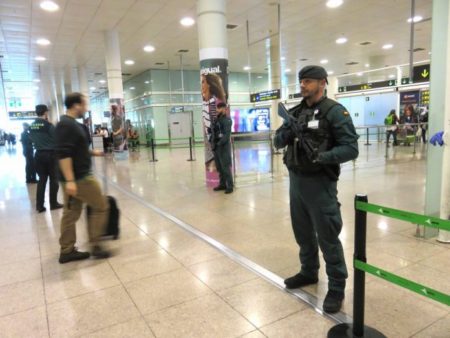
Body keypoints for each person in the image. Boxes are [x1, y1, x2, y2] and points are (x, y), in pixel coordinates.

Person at [274, 65, 359, 313]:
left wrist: (324, 156)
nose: (302, 85)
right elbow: (277, 141)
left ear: (323, 83)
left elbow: (351, 148)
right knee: (302, 233)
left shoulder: (334, 112)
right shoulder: (295, 112)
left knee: (328, 236)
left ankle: (336, 286)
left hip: (321, 184)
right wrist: (287, 132)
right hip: (296, 181)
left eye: (308, 81)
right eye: (301, 81)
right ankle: (308, 272)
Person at [55, 92, 110, 264]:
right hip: (80, 179)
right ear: (76, 105)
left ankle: (67, 250)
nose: (86, 108)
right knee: (101, 206)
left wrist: (94, 152)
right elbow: (63, 154)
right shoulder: (66, 125)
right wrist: (70, 180)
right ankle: (96, 245)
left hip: (75, 178)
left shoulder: (70, 124)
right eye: (84, 104)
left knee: (71, 213)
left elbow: (75, 149)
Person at [29, 104, 62, 213]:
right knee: (54, 179)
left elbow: (32, 140)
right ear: (45, 112)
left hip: (38, 155)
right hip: (51, 155)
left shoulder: (31, 126)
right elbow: (57, 139)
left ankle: (39, 206)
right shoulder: (48, 125)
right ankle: (53, 203)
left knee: (42, 180)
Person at [212, 102, 233, 194]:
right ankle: (222, 184)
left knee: (225, 167)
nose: (217, 110)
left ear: (224, 109)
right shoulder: (217, 120)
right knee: (219, 167)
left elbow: (226, 135)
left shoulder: (227, 120)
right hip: (216, 147)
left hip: (223, 147)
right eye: (217, 108)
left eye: (219, 108)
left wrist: (219, 143)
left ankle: (230, 186)